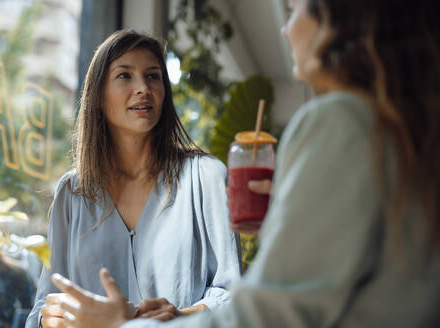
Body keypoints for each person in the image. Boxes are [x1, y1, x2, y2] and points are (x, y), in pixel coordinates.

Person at [48, 0, 440, 327]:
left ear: (340, 20)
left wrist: (126, 325)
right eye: (124, 76)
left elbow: (268, 313)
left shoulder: (341, 119)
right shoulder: (402, 129)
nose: (286, 29)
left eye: (297, 8)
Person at [25, 30, 241, 328]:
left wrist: (180, 318)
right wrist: (49, 319)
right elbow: (45, 301)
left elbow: (236, 295)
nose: (143, 88)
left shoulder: (206, 177)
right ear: (98, 96)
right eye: (125, 76)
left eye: (153, 76)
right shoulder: (72, 192)